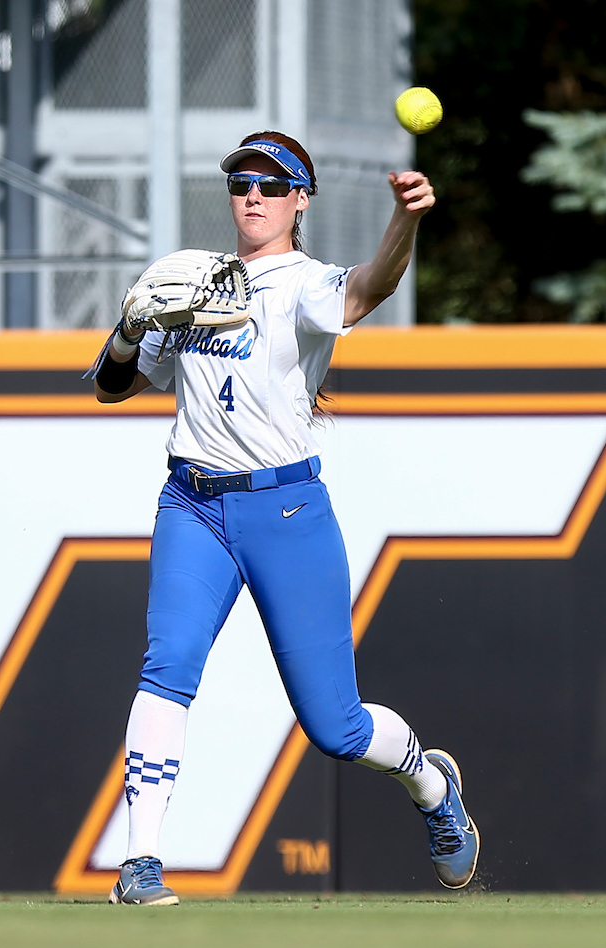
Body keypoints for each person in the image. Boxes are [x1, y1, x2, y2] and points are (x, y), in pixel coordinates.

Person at [92, 131, 478, 906]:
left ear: (301, 198)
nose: (254, 195)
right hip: (192, 505)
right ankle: (139, 863)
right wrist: (130, 330)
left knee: (334, 727)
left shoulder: (304, 283)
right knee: (166, 669)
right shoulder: (195, 281)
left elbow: (374, 284)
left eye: (273, 183)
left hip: (286, 509)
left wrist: (406, 220)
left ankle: (432, 785)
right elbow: (113, 386)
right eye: (241, 182)